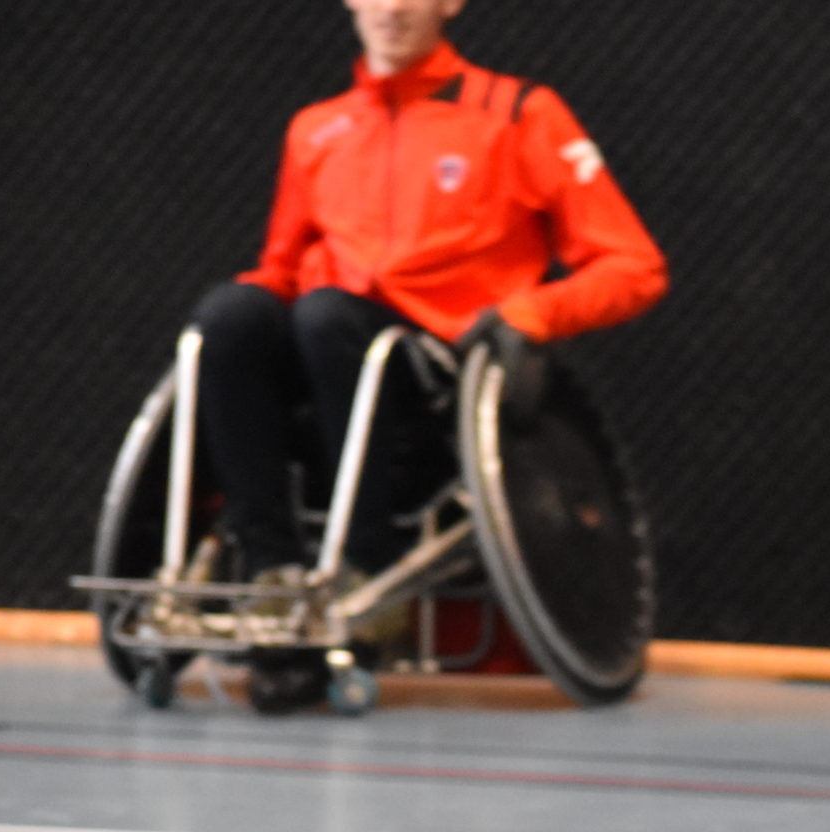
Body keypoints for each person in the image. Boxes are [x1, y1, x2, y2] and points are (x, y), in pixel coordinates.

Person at [189, 0, 666, 613]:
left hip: (436, 361)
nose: (391, 9)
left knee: (327, 316)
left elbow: (635, 268)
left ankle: (367, 561)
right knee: (229, 316)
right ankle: (268, 570)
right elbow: (280, 267)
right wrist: (243, 309)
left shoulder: (519, 114)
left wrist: (534, 314)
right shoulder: (317, 129)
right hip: (325, 340)